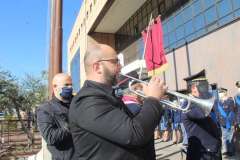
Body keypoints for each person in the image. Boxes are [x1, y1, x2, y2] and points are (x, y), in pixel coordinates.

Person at [69, 43, 167, 160]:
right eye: (115, 62)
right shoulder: (87, 101)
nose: (120, 66)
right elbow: (134, 134)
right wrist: (153, 99)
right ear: (97, 67)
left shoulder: (107, 95)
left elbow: (135, 127)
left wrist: (150, 101)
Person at [182, 69, 222, 160]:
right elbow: (202, 114)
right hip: (201, 153)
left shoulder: (204, 101)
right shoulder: (187, 104)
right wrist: (204, 95)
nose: (206, 89)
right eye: (203, 86)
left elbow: (217, 114)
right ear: (193, 88)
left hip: (214, 150)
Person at [36, 73, 74, 160]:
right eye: (66, 85)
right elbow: (50, 137)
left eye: (71, 85)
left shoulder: (77, 103)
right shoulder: (45, 109)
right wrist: (73, 125)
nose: (70, 87)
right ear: (55, 87)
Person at [216, 88, 236, 157]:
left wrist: (230, 122)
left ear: (224, 93)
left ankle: (230, 151)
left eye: (220, 92)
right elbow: (218, 113)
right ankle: (225, 151)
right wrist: (218, 121)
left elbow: (232, 112)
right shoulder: (219, 102)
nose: (219, 94)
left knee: (230, 137)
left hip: (229, 122)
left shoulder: (230, 101)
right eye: (219, 93)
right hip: (222, 123)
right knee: (224, 137)